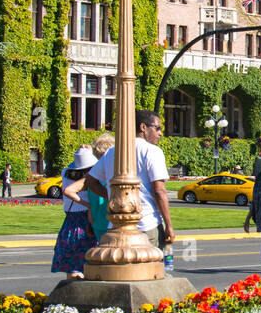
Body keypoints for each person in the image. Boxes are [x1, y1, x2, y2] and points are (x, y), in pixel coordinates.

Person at [83, 110, 174, 252]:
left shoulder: (112, 151)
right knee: (149, 269)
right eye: (157, 128)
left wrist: (113, 197)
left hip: (116, 225)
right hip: (147, 222)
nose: (160, 133)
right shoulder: (152, 151)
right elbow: (159, 190)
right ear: (143, 127)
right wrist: (168, 224)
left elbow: (90, 181)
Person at [54, 146, 97, 279]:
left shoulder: (66, 173)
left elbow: (70, 167)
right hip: (86, 221)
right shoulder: (90, 178)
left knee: (72, 267)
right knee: (88, 265)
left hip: (70, 223)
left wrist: (81, 154)